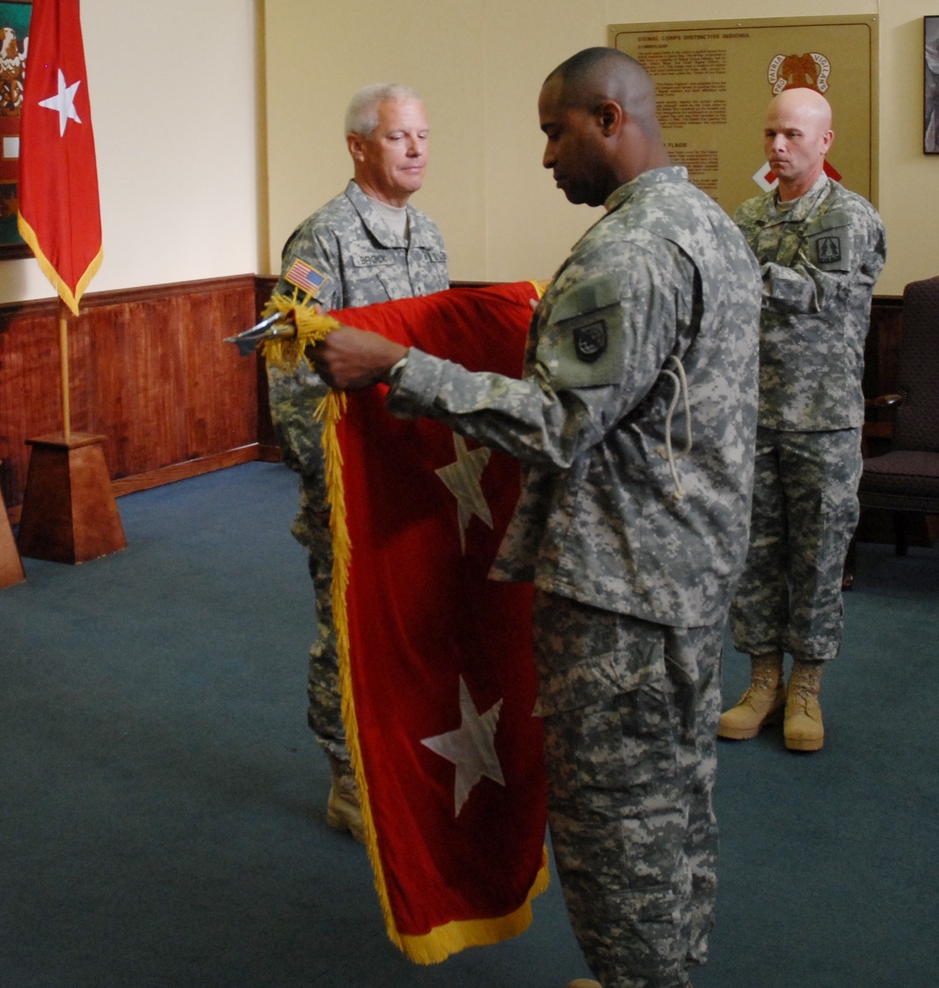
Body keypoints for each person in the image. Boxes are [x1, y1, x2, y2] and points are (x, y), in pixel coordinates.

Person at [311, 47, 761, 988]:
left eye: (556, 132)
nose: (547, 157)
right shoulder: (707, 223)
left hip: (622, 591)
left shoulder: (630, 250)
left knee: (616, 823)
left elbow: (560, 421)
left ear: (609, 116)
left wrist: (398, 367)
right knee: (676, 801)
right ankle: (665, 969)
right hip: (686, 569)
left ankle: (639, 974)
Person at [267, 83, 449, 842]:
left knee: (414, 625)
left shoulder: (429, 236)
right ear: (358, 146)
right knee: (346, 628)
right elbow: (286, 368)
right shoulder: (322, 240)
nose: (416, 150)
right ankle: (346, 774)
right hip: (351, 482)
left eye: (423, 136)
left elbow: (436, 358)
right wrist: (327, 479)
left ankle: (399, 758)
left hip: (418, 476)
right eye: (399, 137)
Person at [719, 87, 887, 753]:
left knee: (817, 558)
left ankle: (807, 685)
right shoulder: (749, 215)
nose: (777, 146)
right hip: (753, 418)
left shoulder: (849, 217)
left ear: (825, 141)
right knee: (756, 556)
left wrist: (740, 271)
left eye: (792, 134)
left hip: (822, 421)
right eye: (770, 134)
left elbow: (822, 294)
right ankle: (763, 679)